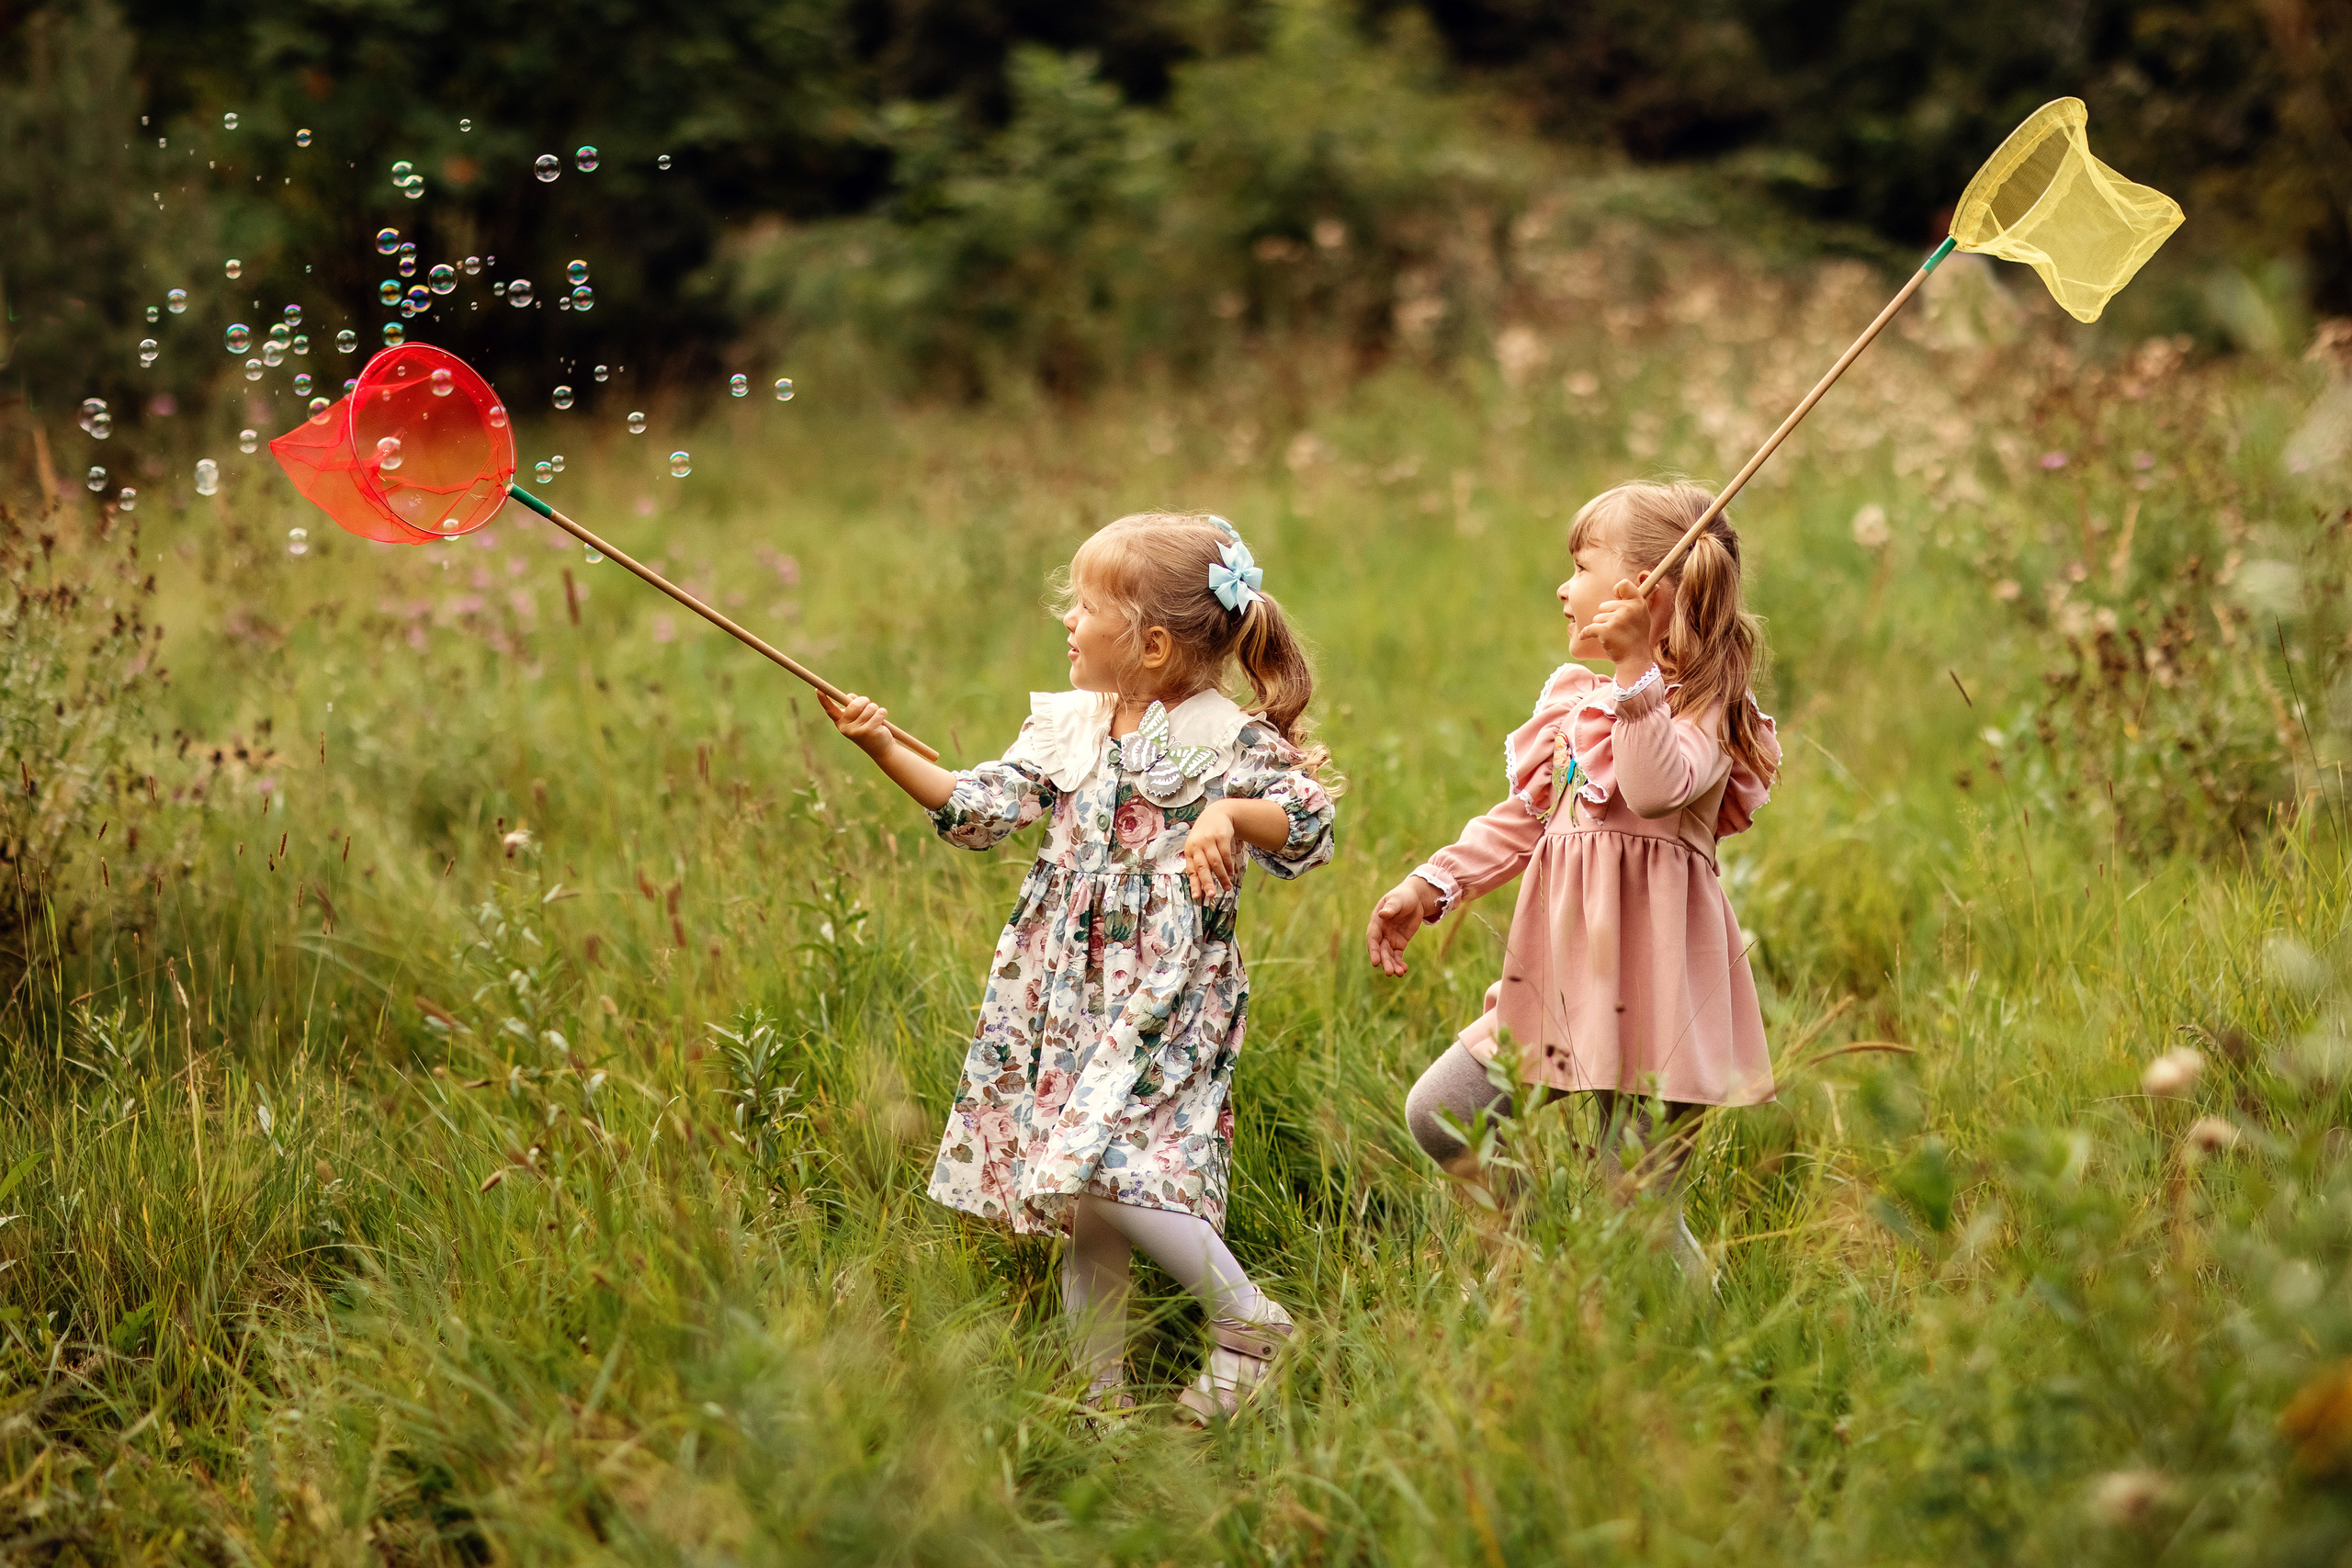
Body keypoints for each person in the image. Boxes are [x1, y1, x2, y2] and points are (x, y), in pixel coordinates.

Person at [828, 512, 1336, 1423]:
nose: (1066, 619)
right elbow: (982, 809)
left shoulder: (1223, 738)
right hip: (1064, 988)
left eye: (1084, 606)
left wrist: (1225, 816)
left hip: (1167, 986)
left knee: (1104, 1170)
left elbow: (1306, 821)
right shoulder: (1071, 726)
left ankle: (1249, 1323)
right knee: (1084, 1191)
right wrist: (881, 747)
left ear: (1147, 642)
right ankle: (1096, 1400)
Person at [1364, 480, 1781, 1277]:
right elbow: (1529, 820)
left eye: (1583, 565)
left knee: (1639, 1210)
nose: (1564, 586)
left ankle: (1697, 1355)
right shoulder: (1579, 706)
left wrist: (1635, 675)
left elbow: (1659, 786)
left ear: (1647, 593)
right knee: (1446, 1114)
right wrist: (1433, 884)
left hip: (1661, 999)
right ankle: (1528, 1268)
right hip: (1559, 986)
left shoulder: (1705, 712)